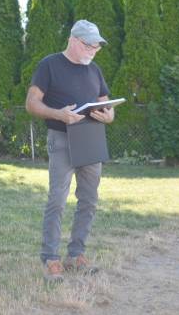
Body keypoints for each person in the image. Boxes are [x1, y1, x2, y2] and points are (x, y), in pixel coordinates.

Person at [25, 20, 115, 282]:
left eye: (97, 46)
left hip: (91, 138)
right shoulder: (49, 65)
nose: (94, 50)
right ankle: (51, 259)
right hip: (61, 138)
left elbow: (106, 106)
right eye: (90, 45)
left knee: (89, 200)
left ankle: (76, 255)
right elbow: (31, 103)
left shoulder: (95, 70)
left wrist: (108, 116)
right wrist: (58, 114)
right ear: (74, 41)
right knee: (58, 200)